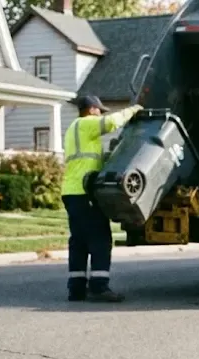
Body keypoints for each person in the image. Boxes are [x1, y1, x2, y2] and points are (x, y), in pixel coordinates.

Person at [61, 96, 143, 302]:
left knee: (79, 241)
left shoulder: (73, 128)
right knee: (100, 239)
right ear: (91, 110)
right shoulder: (86, 124)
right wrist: (134, 110)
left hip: (71, 191)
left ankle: (76, 288)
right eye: (99, 111)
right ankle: (99, 286)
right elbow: (112, 123)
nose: (101, 114)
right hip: (85, 191)